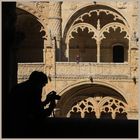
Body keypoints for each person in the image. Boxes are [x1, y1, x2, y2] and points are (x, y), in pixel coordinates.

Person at [8, 71, 60, 137]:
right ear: (38, 82)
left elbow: (31, 106)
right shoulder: (34, 90)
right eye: (43, 85)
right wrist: (51, 107)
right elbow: (38, 115)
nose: (42, 88)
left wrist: (46, 101)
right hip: (24, 129)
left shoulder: (18, 87)